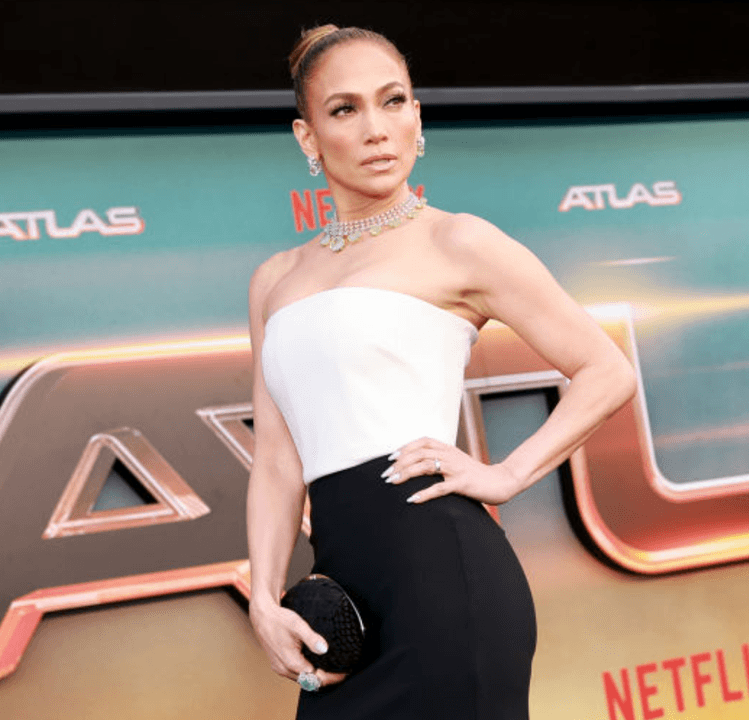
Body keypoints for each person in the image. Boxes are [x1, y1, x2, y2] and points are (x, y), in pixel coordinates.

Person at [245, 24, 637, 719]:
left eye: (393, 101)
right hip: (342, 603)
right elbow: (276, 460)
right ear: (308, 137)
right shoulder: (275, 280)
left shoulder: (459, 241)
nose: (376, 129)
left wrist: (506, 475)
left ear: (417, 116)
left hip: (445, 582)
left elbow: (605, 370)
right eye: (345, 109)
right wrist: (263, 600)